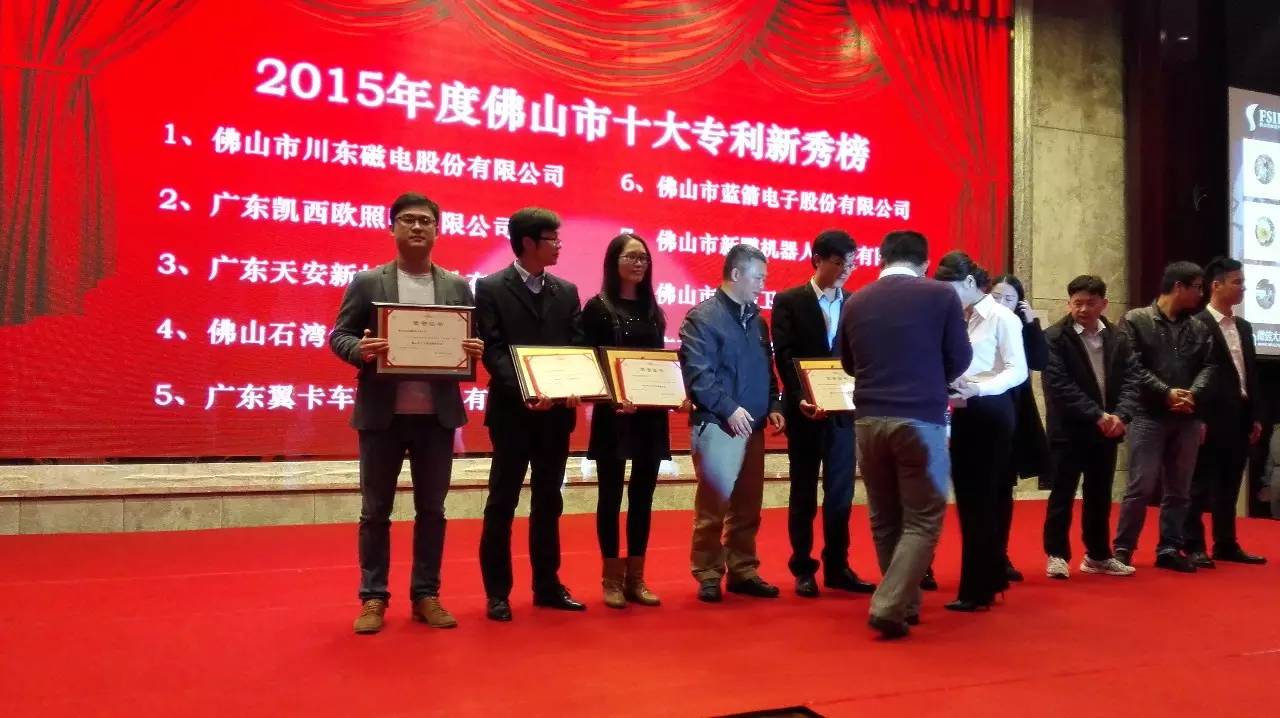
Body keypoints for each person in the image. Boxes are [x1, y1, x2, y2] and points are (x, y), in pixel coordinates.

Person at [330, 192, 485, 634]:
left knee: (432, 510)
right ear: (392, 227)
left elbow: (467, 340)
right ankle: (373, 596)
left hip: (437, 418)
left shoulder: (457, 286)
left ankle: (426, 594)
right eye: (408, 220)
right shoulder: (368, 282)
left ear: (438, 230)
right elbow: (339, 335)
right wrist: (360, 349)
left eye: (425, 221)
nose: (417, 227)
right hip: (382, 416)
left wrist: (474, 349)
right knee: (375, 511)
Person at [841, 231, 971, 639]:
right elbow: (960, 358)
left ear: (881, 258)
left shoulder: (856, 300)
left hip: (867, 420)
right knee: (924, 517)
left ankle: (905, 605)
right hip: (920, 419)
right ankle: (888, 604)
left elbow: (848, 364)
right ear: (926, 262)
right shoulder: (941, 295)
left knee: (884, 517)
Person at [475, 207, 586, 622]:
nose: (559, 245)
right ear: (527, 243)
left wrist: (575, 385)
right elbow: (492, 349)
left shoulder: (567, 291)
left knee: (548, 501)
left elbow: (577, 348)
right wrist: (525, 388)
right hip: (512, 412)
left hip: (555, 415)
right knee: (502, 501)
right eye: (552, 239)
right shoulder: (491, 288)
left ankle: (547, 584)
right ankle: (497, 592)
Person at [583, 233, 689, 608]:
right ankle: (611, 578)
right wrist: (612, 397)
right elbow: (589, 363)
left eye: (643, 258)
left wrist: (674, 393)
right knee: (610, 496)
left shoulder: (652, 309)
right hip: (614, 415)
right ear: (613, 262)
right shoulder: (597, 308)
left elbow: (656, 363)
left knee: (643, 496)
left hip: (649, 416)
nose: (639, 263)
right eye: (631, 257)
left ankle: (637, 577)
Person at [679, 244, 786, 603]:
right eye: (758, 278)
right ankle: (709, 573)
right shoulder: (702, 318)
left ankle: (743, 570)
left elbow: (767, 371)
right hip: (719, 425)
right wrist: (728, 408)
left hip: (753, 426)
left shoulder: (757, 321)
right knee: (714, 508)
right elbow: (698, 375)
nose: (762, 285)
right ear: (736, 274)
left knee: (747, 507)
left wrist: (774, 404)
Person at [772, 229, 875, 598]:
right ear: (817, 260)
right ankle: (803, 567)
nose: (847, 269)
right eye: (839, 262)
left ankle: (837, 566)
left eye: (852, 263)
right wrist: (799, 396)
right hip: (805, 412)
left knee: (840, 493)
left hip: (843, 414)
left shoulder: (855, 302)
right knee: (803, 492)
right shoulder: (790, 300)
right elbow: (784, 354)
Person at [935, 252, 1028, 613]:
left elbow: (1017, 370)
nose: (946, 297)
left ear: (971, 283)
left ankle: (978, 589)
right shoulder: (957, 317)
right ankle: (988, 579)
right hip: (963, 409)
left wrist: (980, 388)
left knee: (983, 500)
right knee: (972, 501)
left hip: (992, 409)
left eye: (951, 289)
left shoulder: (1003, 317)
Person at [1114, 261, 1217, 572]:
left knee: (1180, 489)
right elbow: (1131, 365)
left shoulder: (1199, 327)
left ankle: (1169, 548)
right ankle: (1123, 548)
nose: (1201, 294)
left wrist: (1192, 394)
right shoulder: (1135, 320)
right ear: (1178, 287)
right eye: (1197, 287)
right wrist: (1165, 392)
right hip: (1147, 414)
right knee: (1141, 486)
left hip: (1187, 416)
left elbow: (1209, 365)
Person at [1040, 275, 1138, 579]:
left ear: (1104, 304)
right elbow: (1059, 384)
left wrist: (1121, 416)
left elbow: (1132, 379)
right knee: (1062, 495)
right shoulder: (1054, 337)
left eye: (1090, 303)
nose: (1083, 309)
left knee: (1099, 496)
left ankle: (1098, 556)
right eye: (1077, 303)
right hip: (1068, 430)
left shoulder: (1118, 337)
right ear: (1068, 303)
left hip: (1106, 431)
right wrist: (1097, 415)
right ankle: (1057, 555)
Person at [1185, 257, 1267, 566]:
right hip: (1209, 417)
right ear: (1215, 286)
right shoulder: (1196, 324)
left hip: (1240, 415)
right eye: (1237, 282)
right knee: (1199, 484)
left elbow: (1250, 373)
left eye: (1243, 282)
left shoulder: (1244, 327)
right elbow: (1191, 373)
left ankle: (1226, 543)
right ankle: (1193, 545)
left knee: (1230, 484)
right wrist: (1197, 417)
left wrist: (1256, 414)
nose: (1243, 288)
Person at [989, 274, 1050, 582]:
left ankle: (999, 556)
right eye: (996, 297)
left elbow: (1040, 361)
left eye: (1009, 299)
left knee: (1004, 489)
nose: (1002, 303)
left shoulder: (1021, 328)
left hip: (1014, 413)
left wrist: (1031, 323)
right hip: (979, 411)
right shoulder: (976, 323)